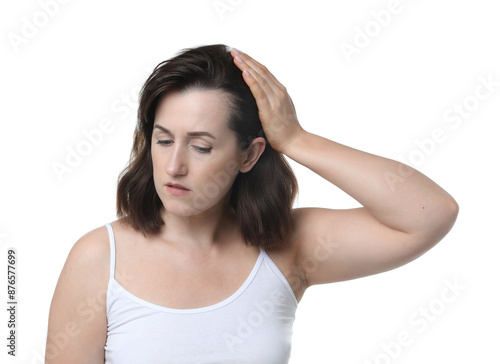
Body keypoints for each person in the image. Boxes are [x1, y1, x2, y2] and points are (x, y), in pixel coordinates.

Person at [45, 44, 459, 363]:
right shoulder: (101, 258)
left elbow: (428, 215)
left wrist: (297, 139)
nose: (174, 166)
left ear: (249, 155)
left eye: (201, 147)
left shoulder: (288, 247)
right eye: (164, 139)